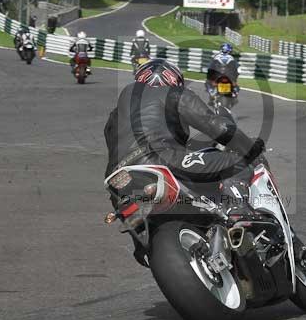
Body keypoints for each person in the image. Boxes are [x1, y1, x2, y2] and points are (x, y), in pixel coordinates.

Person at [103, 58, 265, 218]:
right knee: (237, 163)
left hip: (119, 178)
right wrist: (250, 148)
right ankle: (239, 215)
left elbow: (110, 138)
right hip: (160, 160)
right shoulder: (172, 93)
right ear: (173, 79)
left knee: (142, 234)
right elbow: (217, 126)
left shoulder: (118, 111)